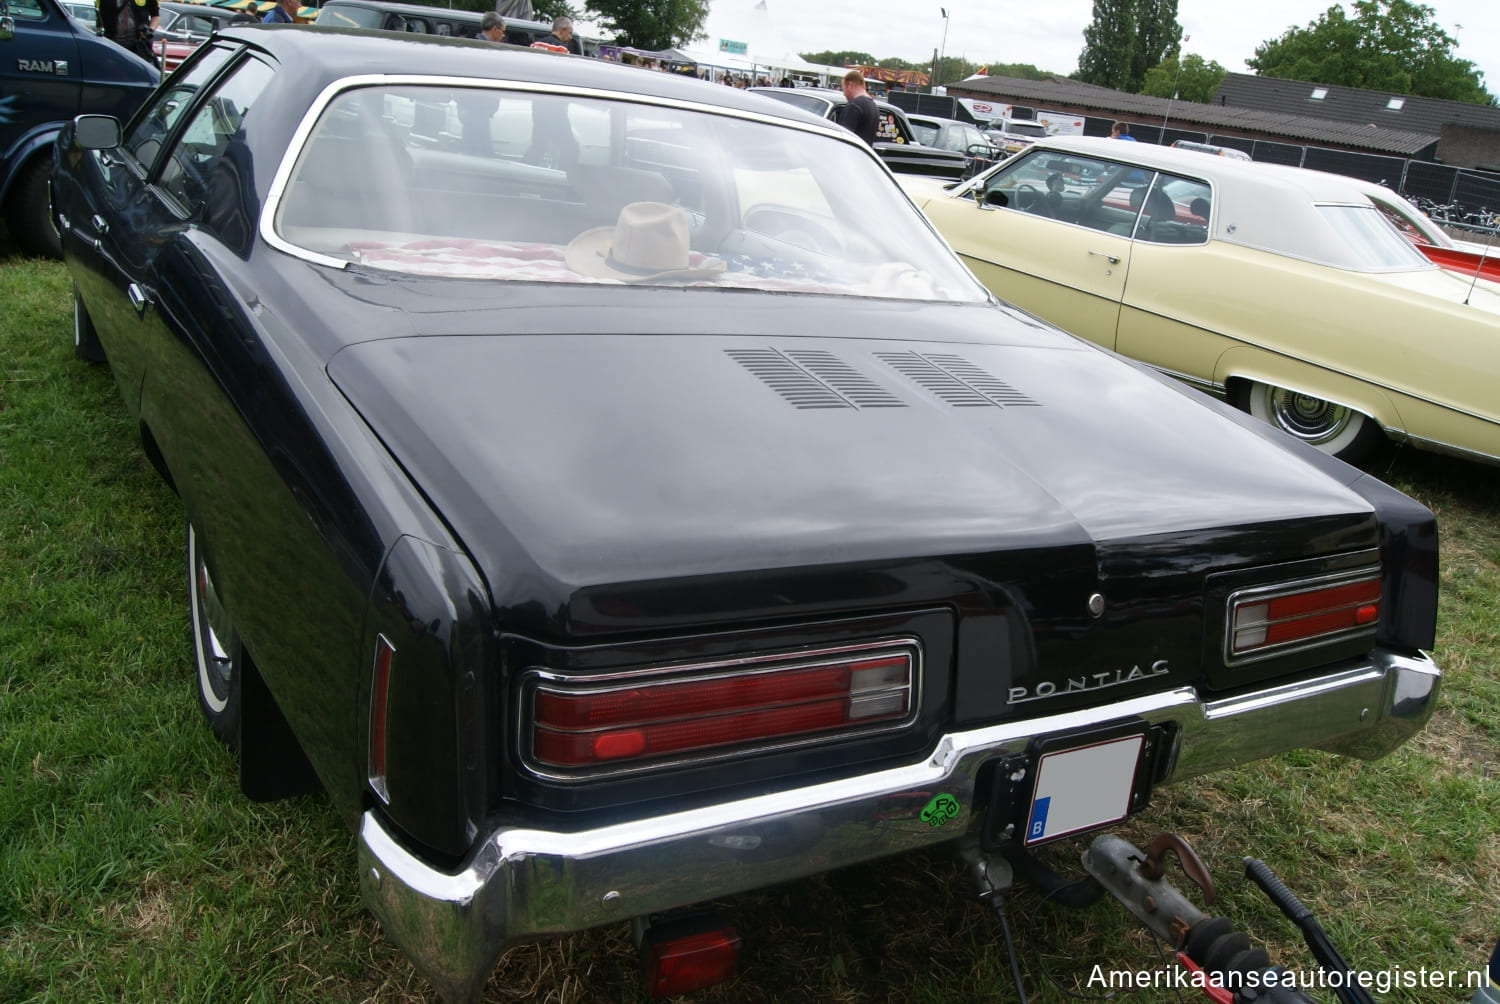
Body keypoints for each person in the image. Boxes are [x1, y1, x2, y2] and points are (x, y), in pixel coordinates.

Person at [834, 69, 879, 147]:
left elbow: (844, 137)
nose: (844, 94)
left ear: (850, 84)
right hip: (864, 155)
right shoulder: (874, 106)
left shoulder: (854, 106)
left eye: (844, 89)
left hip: (851, 155)